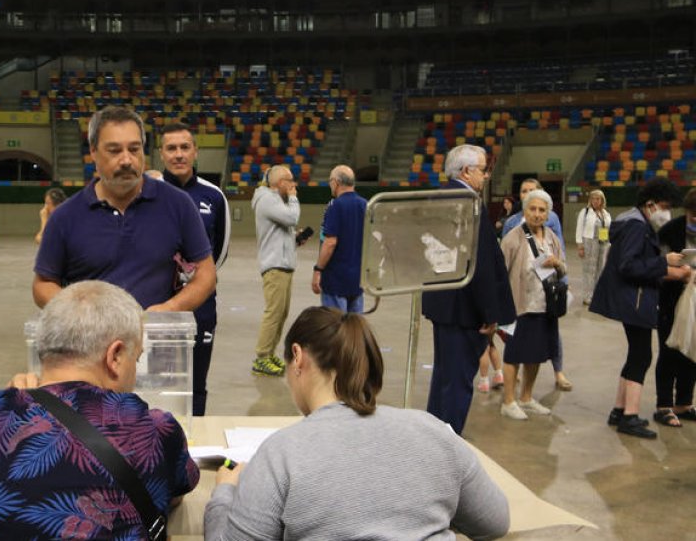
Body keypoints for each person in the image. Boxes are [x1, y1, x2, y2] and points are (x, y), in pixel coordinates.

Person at [203, 306, 510, 541]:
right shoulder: (434, 432)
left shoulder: (280, 454)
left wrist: (225, 493)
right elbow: (495, 522)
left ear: (297, 357)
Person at [0, 280, 199, 540]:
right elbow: (173, 493)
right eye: (137, 358)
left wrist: (10, 404)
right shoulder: (155, 431)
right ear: (115, 356)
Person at [33, 106, 215, 312]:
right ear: (93, 151)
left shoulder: (178, 204)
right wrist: (78, 312)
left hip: (152, 337)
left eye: (134, 149)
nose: (127, 160)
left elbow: (206, 273)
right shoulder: (65, 217)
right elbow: (42, 284)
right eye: (115, 150)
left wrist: (170, 308)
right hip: (90, 339)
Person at [422, 144, 516, 435]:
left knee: (444, 377)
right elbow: (481, 265)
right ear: (465, 171)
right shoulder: (467, 202)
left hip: (444, 304)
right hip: (464, 308)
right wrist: (489, 312)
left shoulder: (441, 197)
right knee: (457, 382)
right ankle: (447, 444)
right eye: (483, 170)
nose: (486, 176)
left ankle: (435, 436)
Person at [590, 176, 691, 439]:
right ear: (651, 204)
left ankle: (619, 410)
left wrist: (663, 265)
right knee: (642, 356)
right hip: (634, 300)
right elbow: (629, 265)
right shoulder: (636, 226)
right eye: (665, 206)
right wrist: (665, 266)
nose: (667, 212)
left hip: (634, 298)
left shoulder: (634, 222)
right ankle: (630, 417)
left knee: (636, 354)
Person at [159, 122, 230, 416]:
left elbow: (220, 251)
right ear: (161, 154)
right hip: (158, 304)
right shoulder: (147, 192)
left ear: (195, 152)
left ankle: (193, 446)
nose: (178, 154)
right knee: (157, 381)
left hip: (201, 306)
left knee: (196, 383)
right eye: (171, 148)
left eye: (184, 147)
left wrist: (195, 280)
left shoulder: (213, 196)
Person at [498, 189, 566, 421]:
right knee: (514, 355)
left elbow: (564, 268)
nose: (537, 214)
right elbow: (499, 273)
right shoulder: (513, 238)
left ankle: (526, 398)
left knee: (536, 355)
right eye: (533, 209)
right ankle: (508, 401)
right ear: (524, 211)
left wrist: (557, 263)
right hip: (520, 305)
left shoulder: (551, 238)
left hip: (544, 307)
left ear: (548, 214)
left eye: (542, 210)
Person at [251, 165, 301, 377]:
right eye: (290, 181)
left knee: (281, 313)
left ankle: (269, 353)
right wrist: (293, 198)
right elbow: (292, 218)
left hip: (284, 264)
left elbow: (282, 230)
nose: (293, 184)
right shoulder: (267, 199)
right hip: (275, 267)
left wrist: (295, 239)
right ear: (279, 183)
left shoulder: (276, 201)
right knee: (273, 313)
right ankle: (262, 357)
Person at [652, 188, 696, 428]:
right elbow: (656, 267)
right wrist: (681, 274)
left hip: (695, 302)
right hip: (670, 301)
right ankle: (664, 406)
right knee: (669, 352)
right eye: (693, 216)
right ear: (686, 211)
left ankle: (684, 403)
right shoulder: (670, 231)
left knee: (692, 351)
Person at [311, 165, 367, 313]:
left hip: (336, 279)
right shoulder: (366, 205)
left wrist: (318, 270)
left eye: (330, 181)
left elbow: (330, 242)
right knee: (354, 329)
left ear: (336, 182)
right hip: (358, 279)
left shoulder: (335, 206)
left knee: (335, 328)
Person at [575, 189, 612, 306]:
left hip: (603, 242)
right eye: (593, 198)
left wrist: (608, 244)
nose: (596, 201)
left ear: (602, 200)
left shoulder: (605, 214)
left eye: (598, 199)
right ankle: (587, 296)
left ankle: (597, 294)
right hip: (589, 242)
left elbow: (607, 229)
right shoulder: (585, 212)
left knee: (600, 269)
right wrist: (580, 245)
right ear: (590, 200)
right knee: (588, 270)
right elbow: (579, 229)